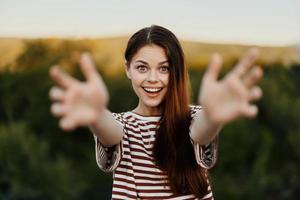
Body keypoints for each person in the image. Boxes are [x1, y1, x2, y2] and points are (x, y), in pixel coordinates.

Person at [48, 25, 263, 199]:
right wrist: (96, 114)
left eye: (164, 68)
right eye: (142, 68)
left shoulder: (195, 117)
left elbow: (201, 131)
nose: (153, 79)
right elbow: (110, 132)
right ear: (127, 69)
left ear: (176, 72)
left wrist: (214, 117)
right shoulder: (121, 125)